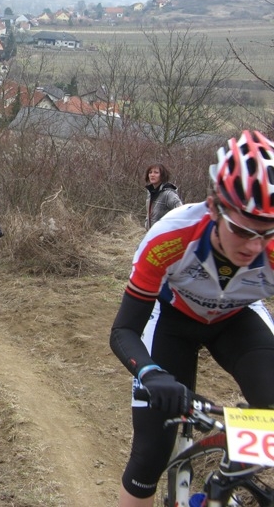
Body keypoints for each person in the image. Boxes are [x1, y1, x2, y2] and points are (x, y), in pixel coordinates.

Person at [110, 130, 274, 507]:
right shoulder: (172, 235)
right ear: (214, 208)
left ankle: (230, 475)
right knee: (150, 455)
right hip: (172, 320)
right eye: (242, 229)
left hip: (237, 320)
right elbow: (124, 330)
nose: (254, 246)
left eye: (266, 232)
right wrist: (151, 374)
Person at [144, 163, 182, 230]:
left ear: (162, 175)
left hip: (164, 233)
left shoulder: (168, 194)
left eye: (156, 172)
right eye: (150, 172)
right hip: (152, 233)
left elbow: (181, 211)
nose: (152, 175)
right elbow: (149, 214)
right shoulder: (150, 192)